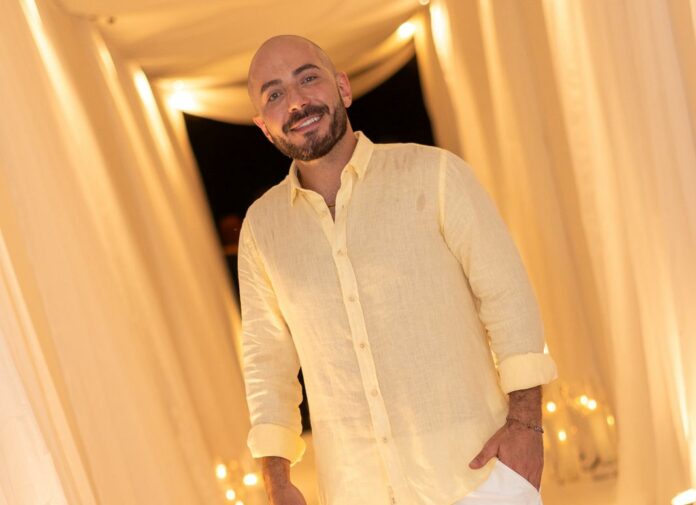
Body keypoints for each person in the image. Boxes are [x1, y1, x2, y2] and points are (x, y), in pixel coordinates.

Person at [238, 35, 558, 505]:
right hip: (356, 489)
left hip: (479, 476)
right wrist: (276, 479)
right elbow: (266, 361)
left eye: (308, 78)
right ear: (264, 127)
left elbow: (508, 298)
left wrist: (527, 426)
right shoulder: (262, 230)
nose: (297, 102)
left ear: (343, 88)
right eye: (274, 94)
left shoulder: (435, 175)